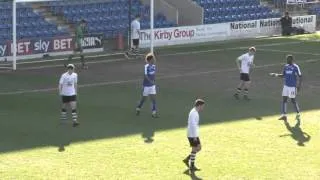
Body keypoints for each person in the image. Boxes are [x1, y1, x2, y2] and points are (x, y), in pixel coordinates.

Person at [270, 55, 302, 126]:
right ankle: (284, 115)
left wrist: (299, 86)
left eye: (288, 59)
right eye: (287, 59)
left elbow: (300, 76)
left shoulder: (295, 67)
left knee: (293, 100)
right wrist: (275, 75)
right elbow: (283, 75)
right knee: (284, 99)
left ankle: (298, 112)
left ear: (292, 60)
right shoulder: (286, 66)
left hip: (292, 87)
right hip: (286, 86)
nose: (287, 61)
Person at [183, 99, 205, 171]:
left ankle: (187, 159)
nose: (203, 108)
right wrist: (195, 136)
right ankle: (192, 165)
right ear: (199, 105)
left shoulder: (195, 111)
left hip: (193, 134)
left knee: (198, 148)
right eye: (202, 106)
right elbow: (193, 125)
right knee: (195, 148)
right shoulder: (194, 113)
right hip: (192, 134)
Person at [136, 52, 158, 118]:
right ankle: (138, 107)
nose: (154, 60)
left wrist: (154, 81)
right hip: (146, 86)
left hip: (152, 86)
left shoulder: (154, 66)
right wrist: (151, 81)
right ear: (150, 60)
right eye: (153, 59)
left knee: (153, 99)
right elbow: (145, 76)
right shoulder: (146, 66)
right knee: (144, 99)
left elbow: (153, 75)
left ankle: (154, 112)